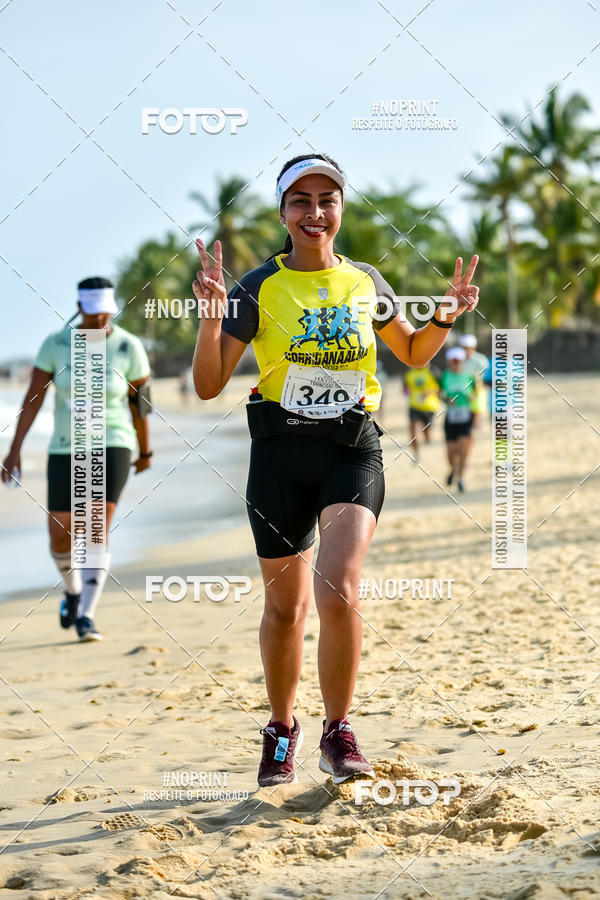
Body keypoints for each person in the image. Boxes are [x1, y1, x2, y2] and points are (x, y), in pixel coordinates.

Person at [191, 153, 480, 786]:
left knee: (339, 586)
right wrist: (211, 318)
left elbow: (411, 351)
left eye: (327, 200)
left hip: (352, 451)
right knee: (286, 612)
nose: (315, 212)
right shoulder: (257, 288)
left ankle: (338, 731)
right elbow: (210, 385)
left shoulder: (367, 281)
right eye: (301, 200)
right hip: (278, 456)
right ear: (283, 212)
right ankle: (282, 729)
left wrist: (447, 314)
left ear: (341, 209)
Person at [1, 277, 152, 641]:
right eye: (94, 314)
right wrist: (15, 448)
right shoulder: (56, 345)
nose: (101, 322)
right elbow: (33, 399)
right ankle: (72, 592)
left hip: (113, 442)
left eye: (106, 314)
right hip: (65, 446)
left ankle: (86, 615)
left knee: (96, 525)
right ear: (80, 308)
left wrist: (144, 450)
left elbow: (140, 404)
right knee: (60, 532)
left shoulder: (128, 347)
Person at [440, 346, 476, 493]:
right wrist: (446, 399)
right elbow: (440, 393)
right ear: (449, 362)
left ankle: (460, 479)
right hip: (451, 417)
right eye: (453, 361)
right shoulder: (445, 376)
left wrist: (471, 397)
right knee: (451, 452)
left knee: (462, 450)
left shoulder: (469, 377)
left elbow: (475, 394)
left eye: (458, 361)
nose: (456, 363)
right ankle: (453, 470)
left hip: (465, 416)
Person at [403, 365, 440, 461]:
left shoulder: (433, 372)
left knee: (427, 434)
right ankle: (416, 453)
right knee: (413, 431)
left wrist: (429, 391)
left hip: (429, 407)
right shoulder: (409, 373)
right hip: (414, 406)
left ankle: (427, 438)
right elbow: (405, 388)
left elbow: (440, 387)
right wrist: (407, 391)